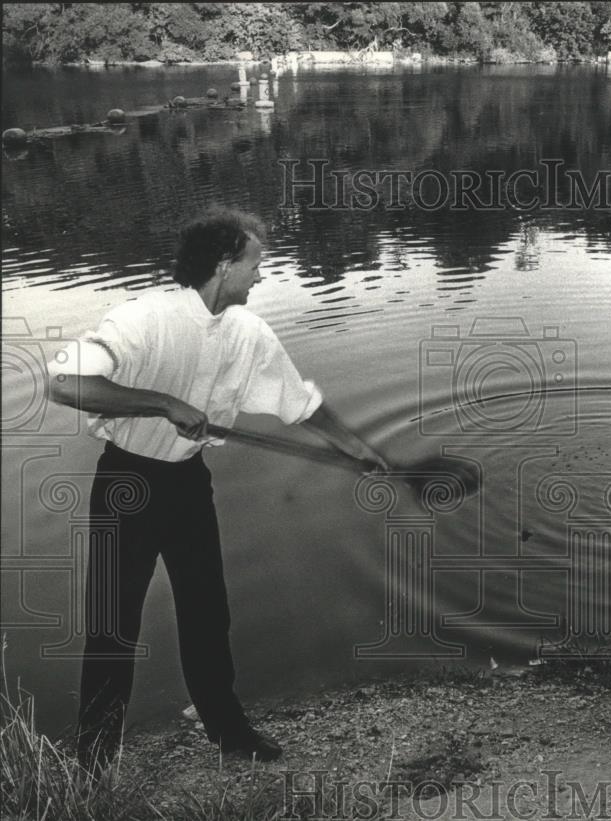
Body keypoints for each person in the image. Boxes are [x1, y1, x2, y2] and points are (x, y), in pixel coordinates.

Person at [47, 207, 392, 766]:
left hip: (187, 481)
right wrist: (162, 401)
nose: (262, 275)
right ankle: (92, 759)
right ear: (225, 263)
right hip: (126, 484)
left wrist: (355, 448)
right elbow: (64, 384)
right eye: (255, 263)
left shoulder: (248, 331)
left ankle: (229, 732)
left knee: (208, 610)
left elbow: (299, 402)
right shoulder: (144, 317)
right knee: (114, 624)